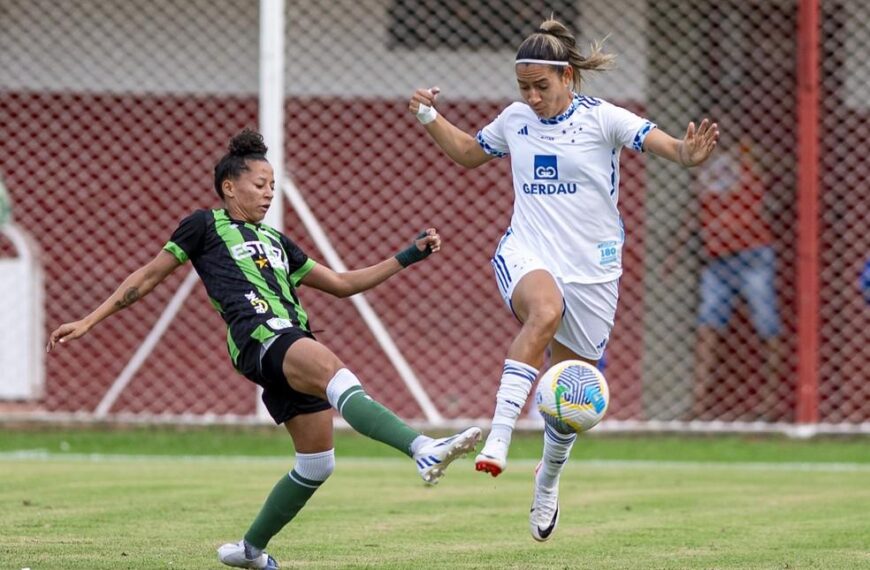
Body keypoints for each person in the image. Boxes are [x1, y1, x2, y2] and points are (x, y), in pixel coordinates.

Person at [47, 129, 481, 569]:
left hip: (288, 339)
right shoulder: (204, 225)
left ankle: (251, 550)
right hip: (261, 337)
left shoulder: (275, 241)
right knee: (334, 371)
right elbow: (147, 276)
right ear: (229, 187)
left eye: (272, 186)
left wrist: (408, 255)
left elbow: (343, 284)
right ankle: (422, 448)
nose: (268, 194)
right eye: (260, 185)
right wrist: (88, 320)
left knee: (317, 464)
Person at [408, 18, 718, 542]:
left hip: (594, 270)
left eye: (541, 86)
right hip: (528, 251)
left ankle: (548, 479)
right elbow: (467, 153)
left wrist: (686, 154)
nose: (531, 96)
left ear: (568, 77)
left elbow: (658, 142)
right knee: (544, 312)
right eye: (523, 87)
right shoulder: (514, 120)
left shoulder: (604, 120)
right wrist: (427, 114)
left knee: (569, 401)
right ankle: (499, 438)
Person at [664, 135, 783, 420]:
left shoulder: (747, 152)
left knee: (766, 324)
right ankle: (699, 403)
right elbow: (696, 211)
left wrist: (753, 156)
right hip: (717, 257)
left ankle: (770, 400)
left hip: (753, 252)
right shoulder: (701, 163)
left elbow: (778, 168)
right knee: (707, 326)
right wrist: (676, 250)